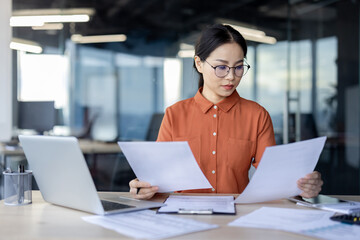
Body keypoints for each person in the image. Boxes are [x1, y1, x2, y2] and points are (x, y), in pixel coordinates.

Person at [129, 24, 323, 200]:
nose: (231, 76)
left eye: (238, 67)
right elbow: (158, 179)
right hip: (185, 214)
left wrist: (302, 185)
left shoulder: (256, 115)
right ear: (199, 64)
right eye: (221, 67)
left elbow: (274, 177)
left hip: (238, 214)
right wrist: (143, 187)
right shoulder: (174, 114)